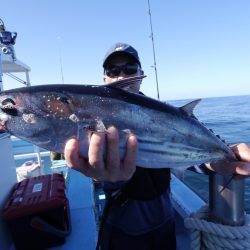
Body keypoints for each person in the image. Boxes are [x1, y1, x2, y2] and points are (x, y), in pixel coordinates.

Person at [64, 42, 250, 250]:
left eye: (130, 69)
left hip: (163, 217)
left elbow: (184, 157)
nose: (122, 75)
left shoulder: (166, 116)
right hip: (122, 221)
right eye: (113, 70)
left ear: (141, 74)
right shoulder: (95, 113)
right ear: (104, 79)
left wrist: (221, 162)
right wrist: (99, 173)